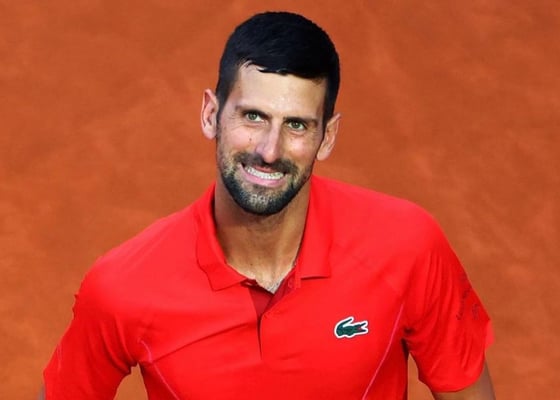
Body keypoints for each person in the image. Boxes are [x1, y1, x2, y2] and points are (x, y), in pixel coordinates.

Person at [40, 11, 495, 399]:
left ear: (327, 137)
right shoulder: (124, 286)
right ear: (211, 115)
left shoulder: (407, 248)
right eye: (253, 116)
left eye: (296, 125)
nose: (270, 150)